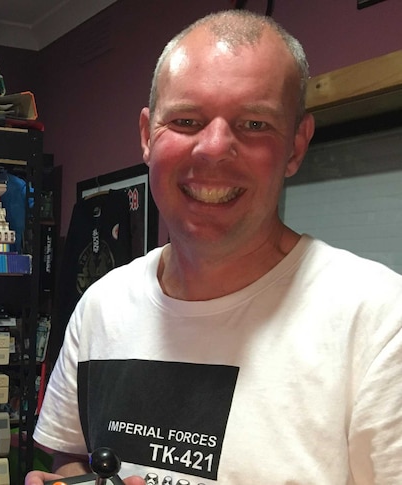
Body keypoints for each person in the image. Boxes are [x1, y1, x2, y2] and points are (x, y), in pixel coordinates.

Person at [27, 9, 402, 485]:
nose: (213, 148)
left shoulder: (382, 323)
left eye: (254, 124)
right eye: (186, 120)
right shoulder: (101, 306)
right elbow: (74, 458)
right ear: (147, 135)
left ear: (295, 146)